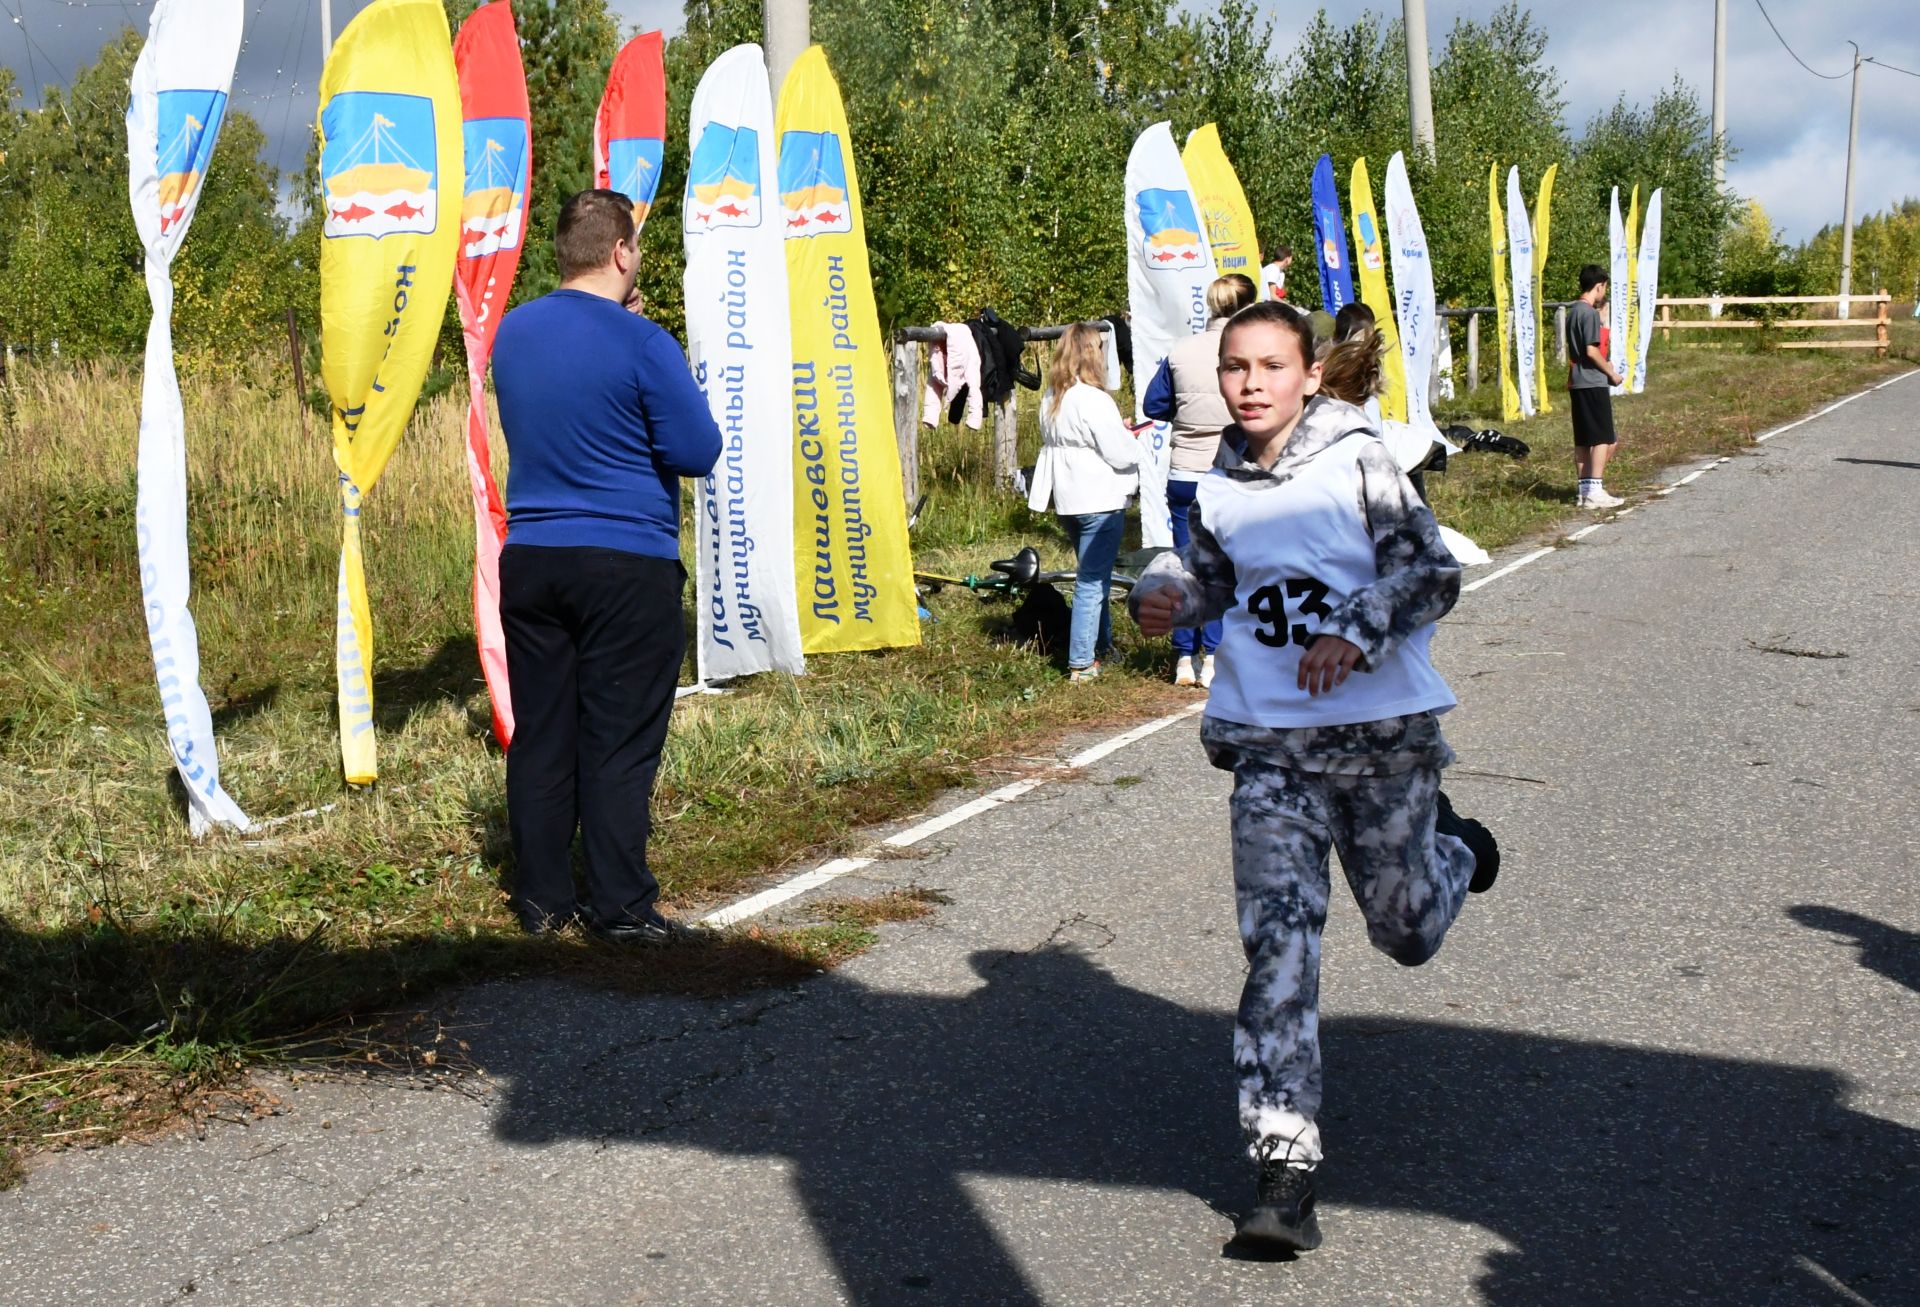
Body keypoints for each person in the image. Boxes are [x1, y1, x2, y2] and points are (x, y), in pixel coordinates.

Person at [1128, 301, 1499, 1255]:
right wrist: (1167, 599)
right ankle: (1283, 1168)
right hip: (1268, 747)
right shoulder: (1217, 481)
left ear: (1306, 374)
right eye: (1235, 367)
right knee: (1278, 945)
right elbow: (1212, 582)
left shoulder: (1360, 459)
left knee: (1407, 931)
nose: (1249, 383)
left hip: (1380, 742)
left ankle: (1450, 849)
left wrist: (1358, 625)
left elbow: (1431, 575)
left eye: (1268, 366)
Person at [490, 189, 722, 943]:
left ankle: (543, 901)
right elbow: (696, 449)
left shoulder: (513, 334)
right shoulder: (644, 342)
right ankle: (620, 907)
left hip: (531, 556)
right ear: (622, 252)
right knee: (618, 740)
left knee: (543, 734)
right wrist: (644, 340)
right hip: (626, 560)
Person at [1142, 273, 1257, 686]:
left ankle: (1182, 658)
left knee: (1184, 565)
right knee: (1225, 569)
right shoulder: (1251, 355)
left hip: (1185, 471)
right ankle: (1215, 657)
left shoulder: (1181, 351)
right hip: (1230, 471)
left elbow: (1154, 404)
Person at [1027, 322, 1142, 683]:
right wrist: (1132, 437)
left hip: (1067, 497)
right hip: (1098, 495)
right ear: (1093, 355)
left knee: (1097, 575)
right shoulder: (1094, 399)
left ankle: (1101, 647)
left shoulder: (1052, 396)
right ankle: (1081, 661)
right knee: (1092, 581)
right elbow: (1120, 453)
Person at [1568, 265, 1626, 509]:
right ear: (1599, 285)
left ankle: (1584, 491)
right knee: (1603, 438)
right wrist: (1611, 373)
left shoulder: (1573, 312)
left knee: (1583, 439)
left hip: (1576, 381)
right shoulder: (1589, 313)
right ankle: (1595, 489)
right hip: (1592, 381)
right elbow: (1591, 351)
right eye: (1604, 287)